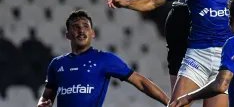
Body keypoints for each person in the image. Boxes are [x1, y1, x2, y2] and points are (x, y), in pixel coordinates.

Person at [37, 10, 169, 107]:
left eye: (85, 27)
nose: (81, 31)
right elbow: (45, 99)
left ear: (92, 33)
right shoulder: (56, 64)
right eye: (76, 27)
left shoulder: (105, 59)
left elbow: (140, 81)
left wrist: (169, 102)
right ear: (67, 35)